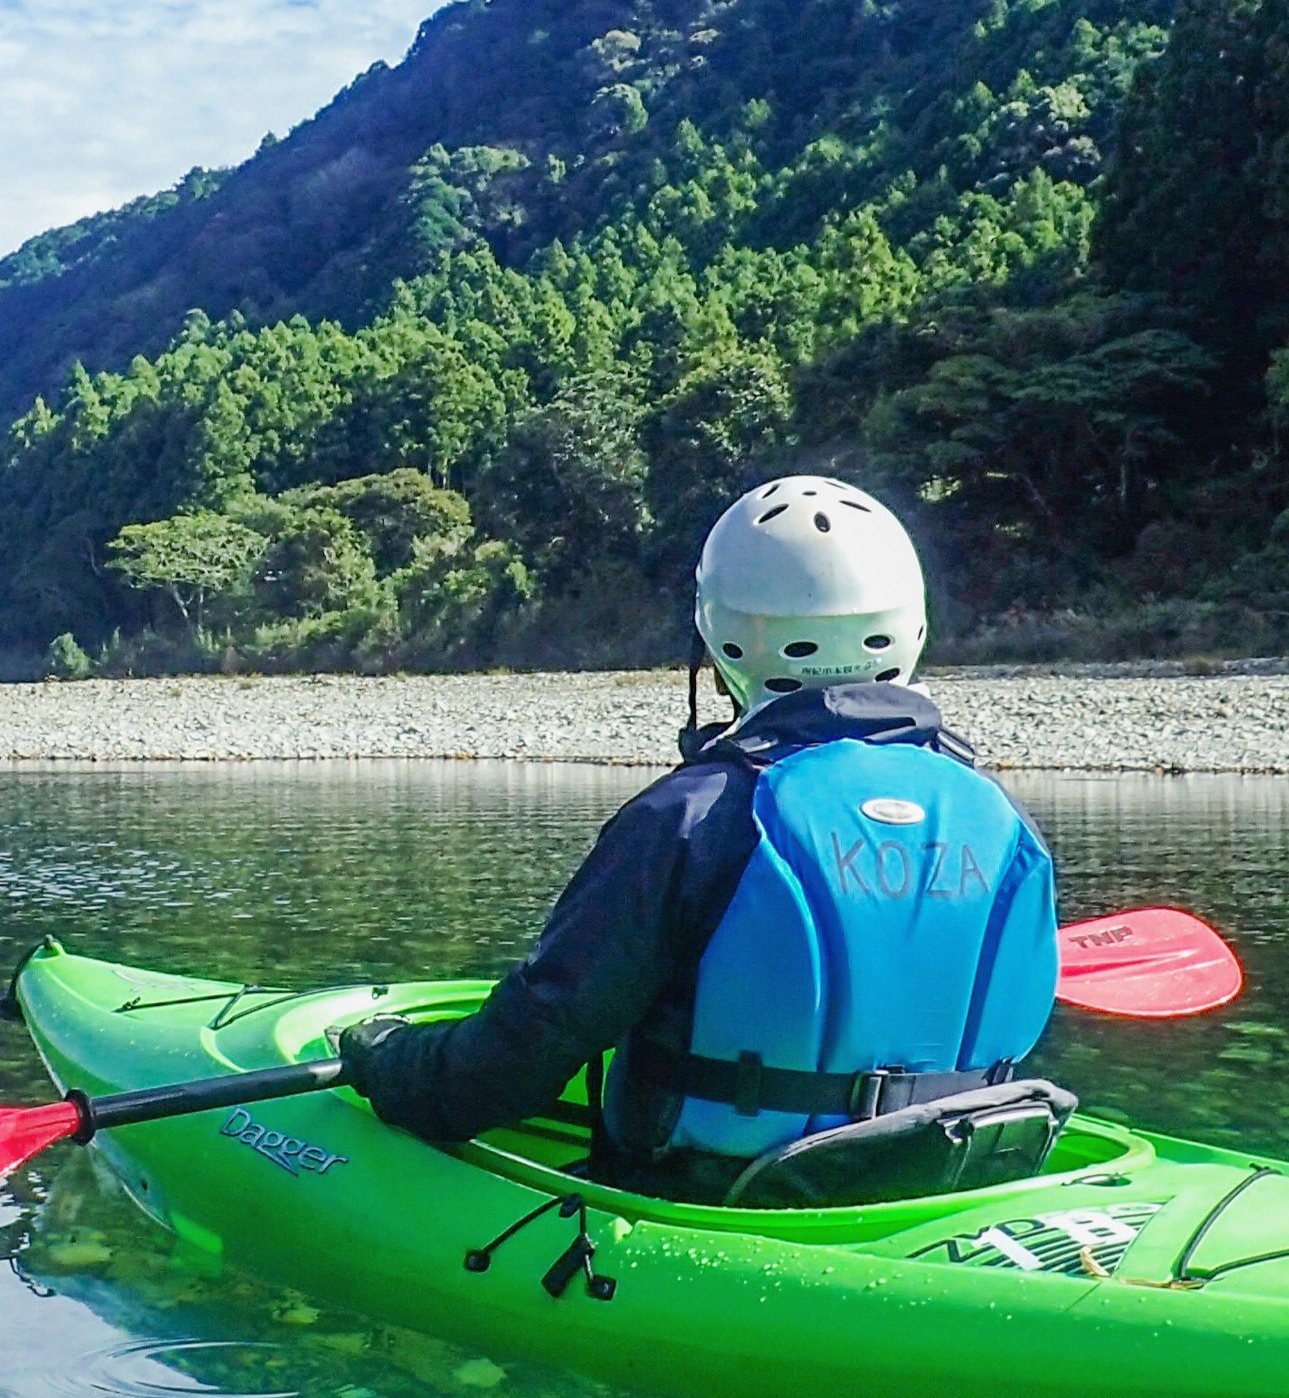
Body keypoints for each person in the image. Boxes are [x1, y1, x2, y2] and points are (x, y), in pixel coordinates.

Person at [334, 476, 1061, 1200]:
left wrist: (391, 1064)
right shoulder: (1003, 820)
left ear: (724, 643)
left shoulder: (692, 820)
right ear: (912, 626)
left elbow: (509, 1068)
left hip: (720, 1203)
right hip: (950, 1187)